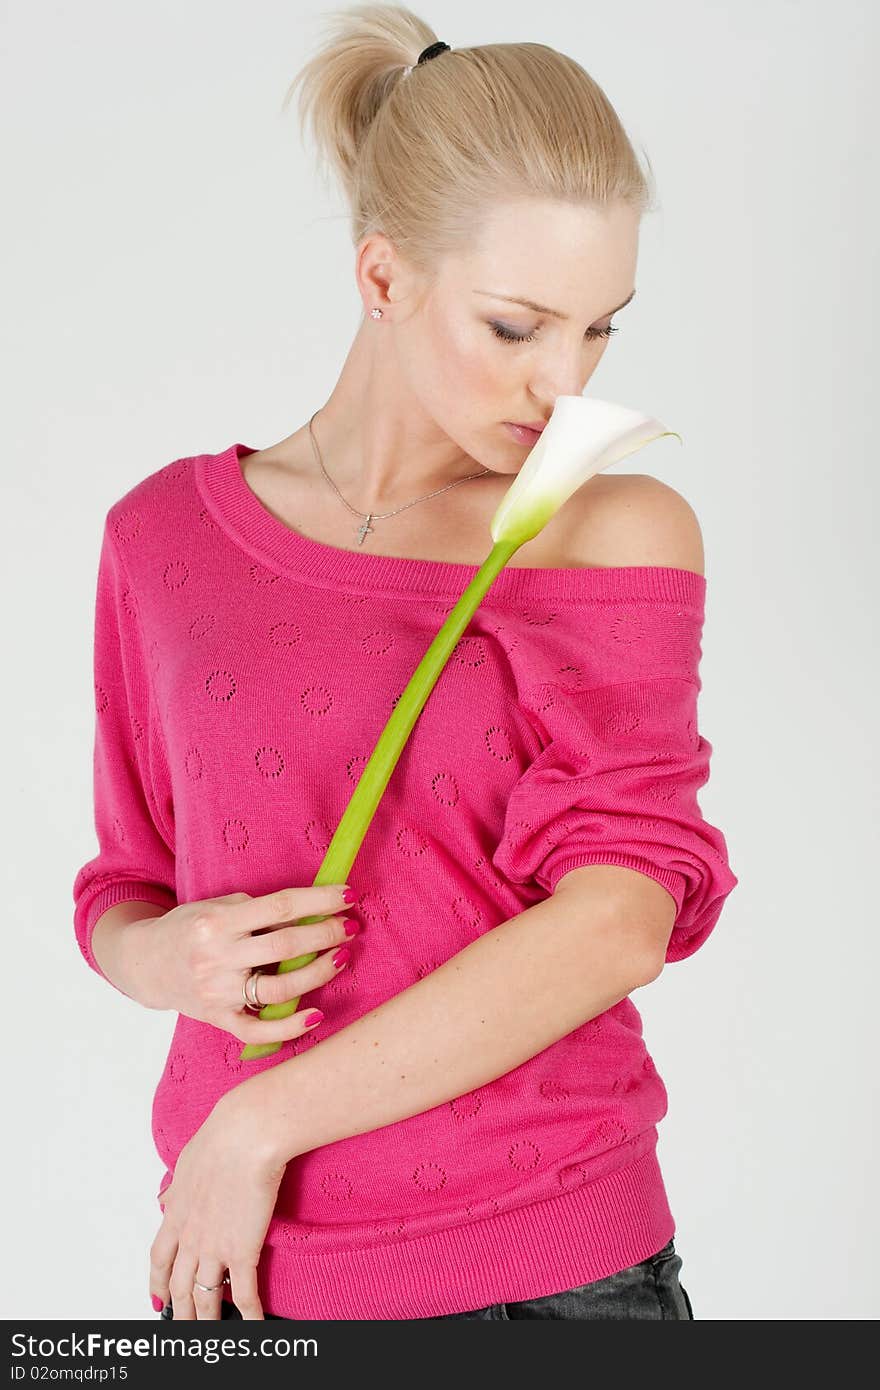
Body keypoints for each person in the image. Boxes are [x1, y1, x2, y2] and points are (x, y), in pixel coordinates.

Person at [72, 3, 737, 1322]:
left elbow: (619, 917)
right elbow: (123, 883)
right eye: (517, 326)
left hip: (550, 1272)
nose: (569, 381)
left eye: (601, 329)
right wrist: (174, 964)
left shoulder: (609, 529)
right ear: (383, 278)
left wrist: (262, 1119)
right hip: (235, 1269)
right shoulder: (160, 540)